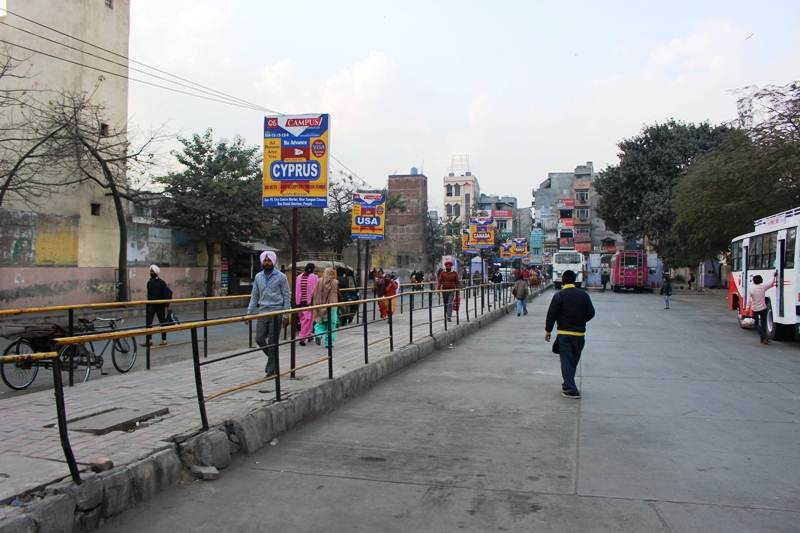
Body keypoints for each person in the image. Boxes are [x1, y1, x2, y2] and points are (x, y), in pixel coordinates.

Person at [545, 270, 595, 399]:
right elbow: (591, 313)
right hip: (579, 335)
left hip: (565, 334)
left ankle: (572, 390)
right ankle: (568, 384)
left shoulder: (559, 296)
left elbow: (551, 315)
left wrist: (548, 331)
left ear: (563, 280)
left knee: (566, 361)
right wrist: (580, 321)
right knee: (573, 361)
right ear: (574, 280)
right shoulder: (583, 295)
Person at [247, 251, 291, 376]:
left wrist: (286, 315)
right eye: (265, 261)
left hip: (277, 312)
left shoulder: (281, 277)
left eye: (269, 260)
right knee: (259, 339)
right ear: (262, 262)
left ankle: (271, 369)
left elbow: (287, 296)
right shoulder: (258, 277)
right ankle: (274, 361)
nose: (267, 263)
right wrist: (249, 312)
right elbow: (254, 295)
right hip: (263, 312)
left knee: (272, 341)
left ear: (274, 261)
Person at [143, 264, 172, 347]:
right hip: (151, 305)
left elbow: (168, 293)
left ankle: (164, 340)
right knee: (148, 323)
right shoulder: (149, 282)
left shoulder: (162, 282)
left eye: (152, 271)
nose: (151, 272)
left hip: (160, 306)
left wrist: (166, 305)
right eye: (150, 271)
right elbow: (149, 295)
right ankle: (149, 341)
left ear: (156, 272)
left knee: (162, 323)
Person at [312, 267, 339, 347]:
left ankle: (318, 334)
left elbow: (315, 293)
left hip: (319, 305)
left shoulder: (319, 281)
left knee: (320, 322)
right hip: (331, 306)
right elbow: (335, 294)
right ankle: (328, 343)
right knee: (331, 325)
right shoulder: (334, 282)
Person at [295, 263, 318, 346]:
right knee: (308, 320)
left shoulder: (299, 277)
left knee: (303, 320)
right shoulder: (314, 277)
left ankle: (309, 335)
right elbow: (316, 290)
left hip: (299, 302)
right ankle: (302, 338)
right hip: (309, 303)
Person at [749, 274, 776, 345]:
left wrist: (747, 307)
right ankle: (763, 339)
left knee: (756, 324)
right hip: (763, 308)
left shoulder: (751, 289)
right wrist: (774, 276)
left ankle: (763, 337)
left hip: (755, 309)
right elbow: (772, 284)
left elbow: (749, 300)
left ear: (754, 281)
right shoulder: (763, 287)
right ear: (760, 280)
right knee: (764, 324)